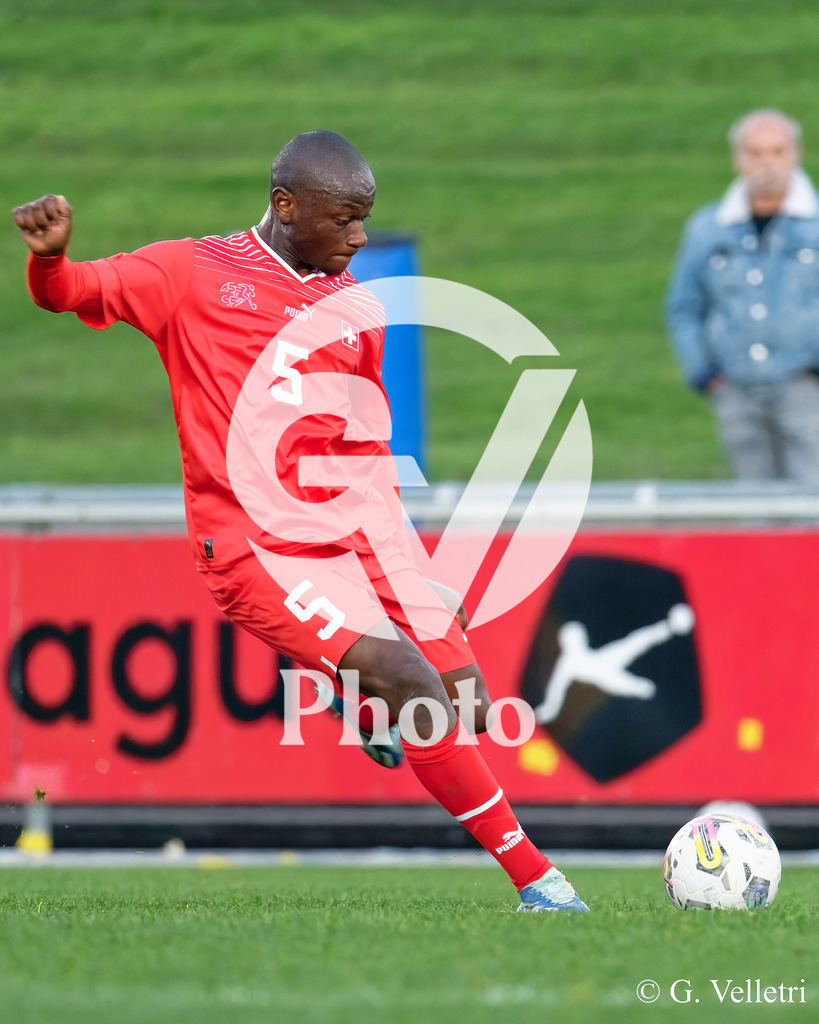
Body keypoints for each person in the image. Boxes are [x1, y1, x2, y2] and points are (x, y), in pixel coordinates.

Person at [12, 130, 589, 912]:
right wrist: (49, 258)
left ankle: (364, 696)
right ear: (286, 205)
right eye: (343, 219)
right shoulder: (190, 272)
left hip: (337, 544)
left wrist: (425, 604)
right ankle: (540, 882)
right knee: (409, 680)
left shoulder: (354, 311)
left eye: (365, 219)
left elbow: (364, 475)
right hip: (248, 550)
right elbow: (71, 290)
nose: (358, 237)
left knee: (459, 699)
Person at [666, 109, 819, 484]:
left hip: (805, 386)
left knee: (811, 502)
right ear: (738, 158)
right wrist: (703, 371)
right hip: (736, 389)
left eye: (777, 151)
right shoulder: (709, 229)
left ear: (795, 154)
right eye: (755, 153)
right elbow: (684, 308)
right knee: (752, 505)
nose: (767, 163)